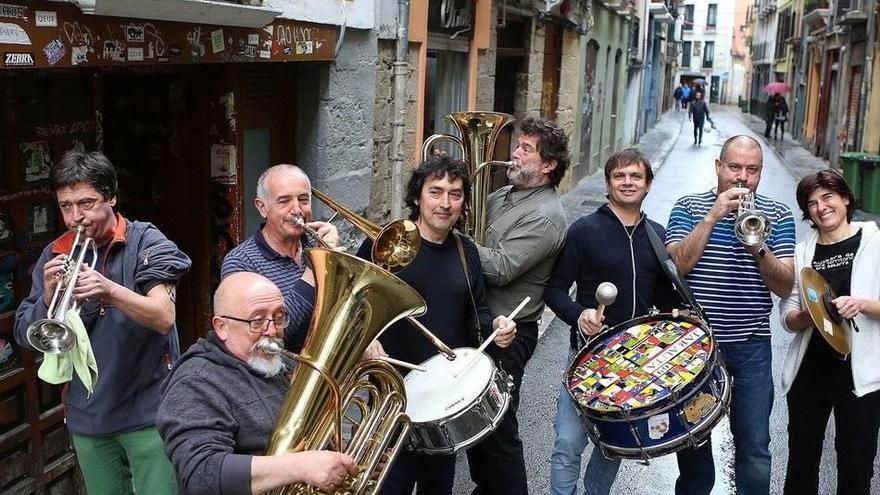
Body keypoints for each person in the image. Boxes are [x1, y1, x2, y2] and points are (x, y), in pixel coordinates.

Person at [14, 150, 192, 495]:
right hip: (89, 416)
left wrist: (109, 290)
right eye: (66, 206)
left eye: (87, 203)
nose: (75, 217)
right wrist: (49, 298)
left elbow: (163, 316)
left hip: (148, 411)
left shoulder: (147, 242)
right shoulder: (55, 254)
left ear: (111, 197)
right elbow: (26, 333)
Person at [544, 148, 714, 495]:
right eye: (619, 176)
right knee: (568, 442)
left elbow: (665, 297)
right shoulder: (584, 231)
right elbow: (556, 290)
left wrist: (677, 313)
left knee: (613, 446)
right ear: (608, 183)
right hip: (587, 358)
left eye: (635, 176)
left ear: (648, 184)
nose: (627, 182)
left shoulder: (657, 235)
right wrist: (581, 315)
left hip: (634, 364)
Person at [355, 155, 516, 495]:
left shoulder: (465, 250)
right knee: (388, 487)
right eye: (436, 191)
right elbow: (354, 308)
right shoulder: (385, 245)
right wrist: (368, 341)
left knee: (438, 488)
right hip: (391, 397)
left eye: (455, 194)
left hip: (443, 396)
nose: (445, 203)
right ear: (417, 196)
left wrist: (496, 328)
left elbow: (478, 313)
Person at [666, 135, 796, 494]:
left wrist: (759, 247)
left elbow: (785, 287)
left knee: (754, 447)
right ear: (718, 167)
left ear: (760, 173)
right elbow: (679, 264)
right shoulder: (689, 207)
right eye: (734, 167)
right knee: (693, 444)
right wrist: (713, 216)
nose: (742, 177)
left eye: (751, 170)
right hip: (696, 346)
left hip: (752, 344)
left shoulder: (779, 215)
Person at [157, 272, 358, 494]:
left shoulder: (282, 366)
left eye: (279, 317)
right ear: (222, 327)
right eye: (257, 320)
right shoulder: (195, 381)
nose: (271, 330)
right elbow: (202, 474)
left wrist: (347, 460)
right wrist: (301, 466)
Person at [467, 116, 569, 495]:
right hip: (480, 319)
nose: (515, 153)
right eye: (518, 146)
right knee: (475, 425)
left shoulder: (546, 216)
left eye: (526, 149)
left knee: (498, 426)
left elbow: (503, 267)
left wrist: (455, 244)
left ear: (548, 165)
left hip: (509, 332)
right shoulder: (501, 195)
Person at [779, 170, 880, 495]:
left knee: (855, 465)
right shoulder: (803, 252)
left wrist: (862, 304)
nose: (821, 208)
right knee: (801, 464)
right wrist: (807, 317)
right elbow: (787, 316)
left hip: (861, 374)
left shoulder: (874, 242)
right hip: (811, 369)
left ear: (846, 199)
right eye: (812, 203)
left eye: (828, 198)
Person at [221, 164, 340, 353]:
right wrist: (316, 268)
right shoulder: (240, 263)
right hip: (281, 375)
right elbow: (271, 333)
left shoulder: (317, 244)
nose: (297, 210)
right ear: (262, 207)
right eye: (284, 201)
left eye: (303, 199)